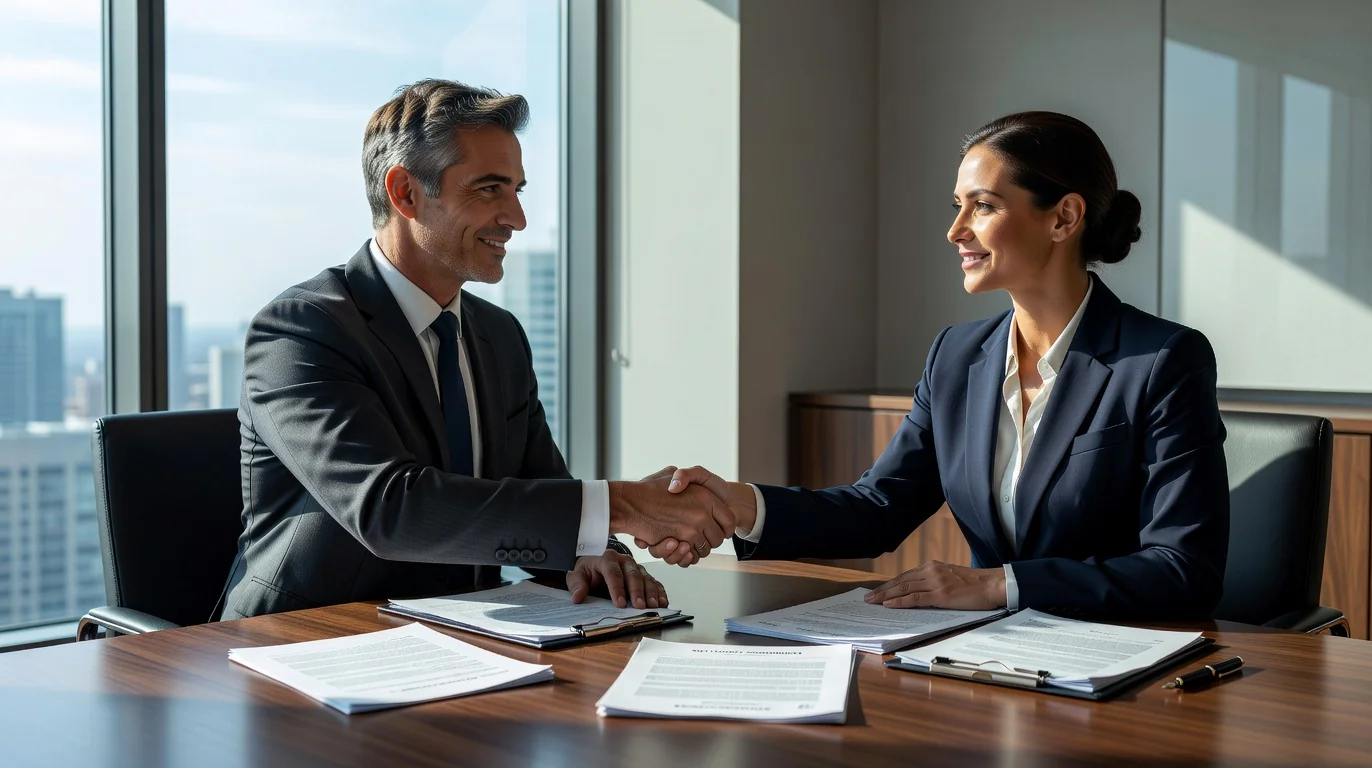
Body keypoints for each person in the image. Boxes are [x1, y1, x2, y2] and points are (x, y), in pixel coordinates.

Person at [650, 111, 1230, 620]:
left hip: (1118, 665)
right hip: (985, 657)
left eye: (984, 206)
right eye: (958, 207)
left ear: (1063, 218)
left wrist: (996, 585)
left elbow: (1183, 569)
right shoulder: (956, 357)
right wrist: (740, 505)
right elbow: (878, 508)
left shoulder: (1161, 360)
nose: (956, 231)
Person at [219, 80, 731, 620]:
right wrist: (622, 505)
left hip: (466, 630)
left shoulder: (500, 335)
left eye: (517, 190)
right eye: (489, 189)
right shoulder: (302, 329)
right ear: (405, 192)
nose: (516, 218)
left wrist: (592, 552)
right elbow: (389, 509)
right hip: (307, 637)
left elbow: (541, 489)